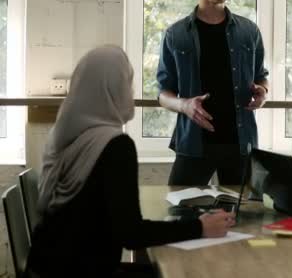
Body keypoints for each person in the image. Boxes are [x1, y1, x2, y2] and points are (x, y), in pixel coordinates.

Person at [27, 46, 235, 278]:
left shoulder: (65, 134)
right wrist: (200, 226)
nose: (131, 90)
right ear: (114, 89)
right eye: (128, 82)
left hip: (45, 268)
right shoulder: (114, 145)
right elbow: (132, 234)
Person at [157, 0, 269, 186]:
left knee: (244, 219)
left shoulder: (249, 31)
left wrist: (263, 92)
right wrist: (184, 105)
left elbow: (261, 77)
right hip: (193, 144)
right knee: (179, 211)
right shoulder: (176, 34)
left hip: (240, 144)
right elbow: (163, 94)